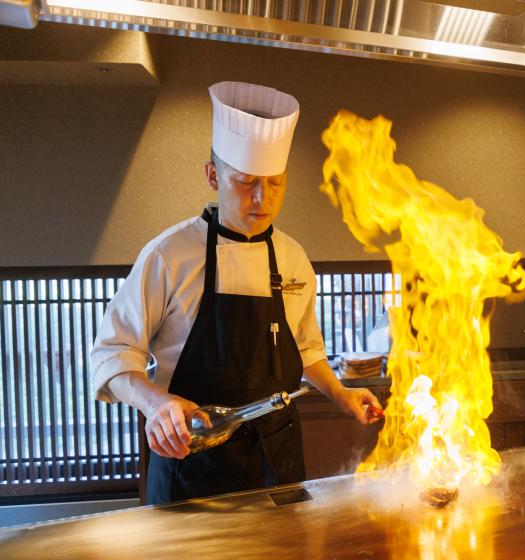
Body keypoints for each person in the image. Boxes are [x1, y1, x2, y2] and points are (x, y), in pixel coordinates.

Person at [91, 81, 382, 505]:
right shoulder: (168, 255)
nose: (263, 199)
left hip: (276, 464)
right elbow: (112, 354)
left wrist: (341, 394)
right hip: (191, 467)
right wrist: (155, 404)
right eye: (246, 183)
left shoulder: (292, 258)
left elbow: (306, 350)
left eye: (276, 183)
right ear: (213, 176)